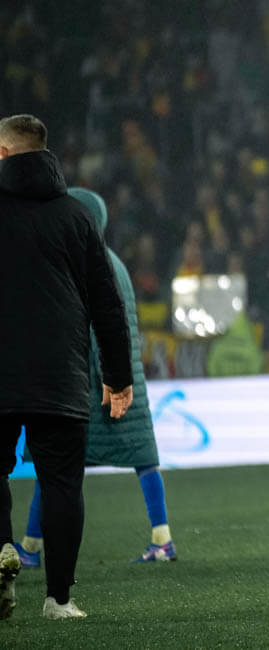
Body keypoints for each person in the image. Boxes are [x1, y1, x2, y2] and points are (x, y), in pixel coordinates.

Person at [0, 114, 133, 621]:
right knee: (61, 483)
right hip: (61, 372)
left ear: (4, 154)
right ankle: (58, 599)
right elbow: (108, 304)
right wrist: (117, 376)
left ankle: (1, 548)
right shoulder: (77, 216)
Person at [15, 188, 176, 571]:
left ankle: (32, 547)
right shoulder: (114, 262)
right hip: (125, 381)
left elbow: (91, 332)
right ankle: (162, 539)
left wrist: (102, 381)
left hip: (95, 385)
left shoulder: (82, 264)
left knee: (54, 462)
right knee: (144, 459)